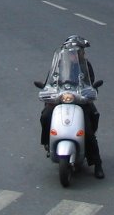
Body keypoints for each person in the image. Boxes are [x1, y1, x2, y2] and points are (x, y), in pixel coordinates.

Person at [39, 37, 103, 178]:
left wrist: (90, 92)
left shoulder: (86, 66)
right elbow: (49, 82)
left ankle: (97, 163)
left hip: (80, 101)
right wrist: (47, 90)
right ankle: (46, 142)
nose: (75, 55)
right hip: (60, 100)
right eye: (72, 53)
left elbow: (90, 84)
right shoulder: (58, 65)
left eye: (77, 52)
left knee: (89, 128)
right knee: (45, 116)